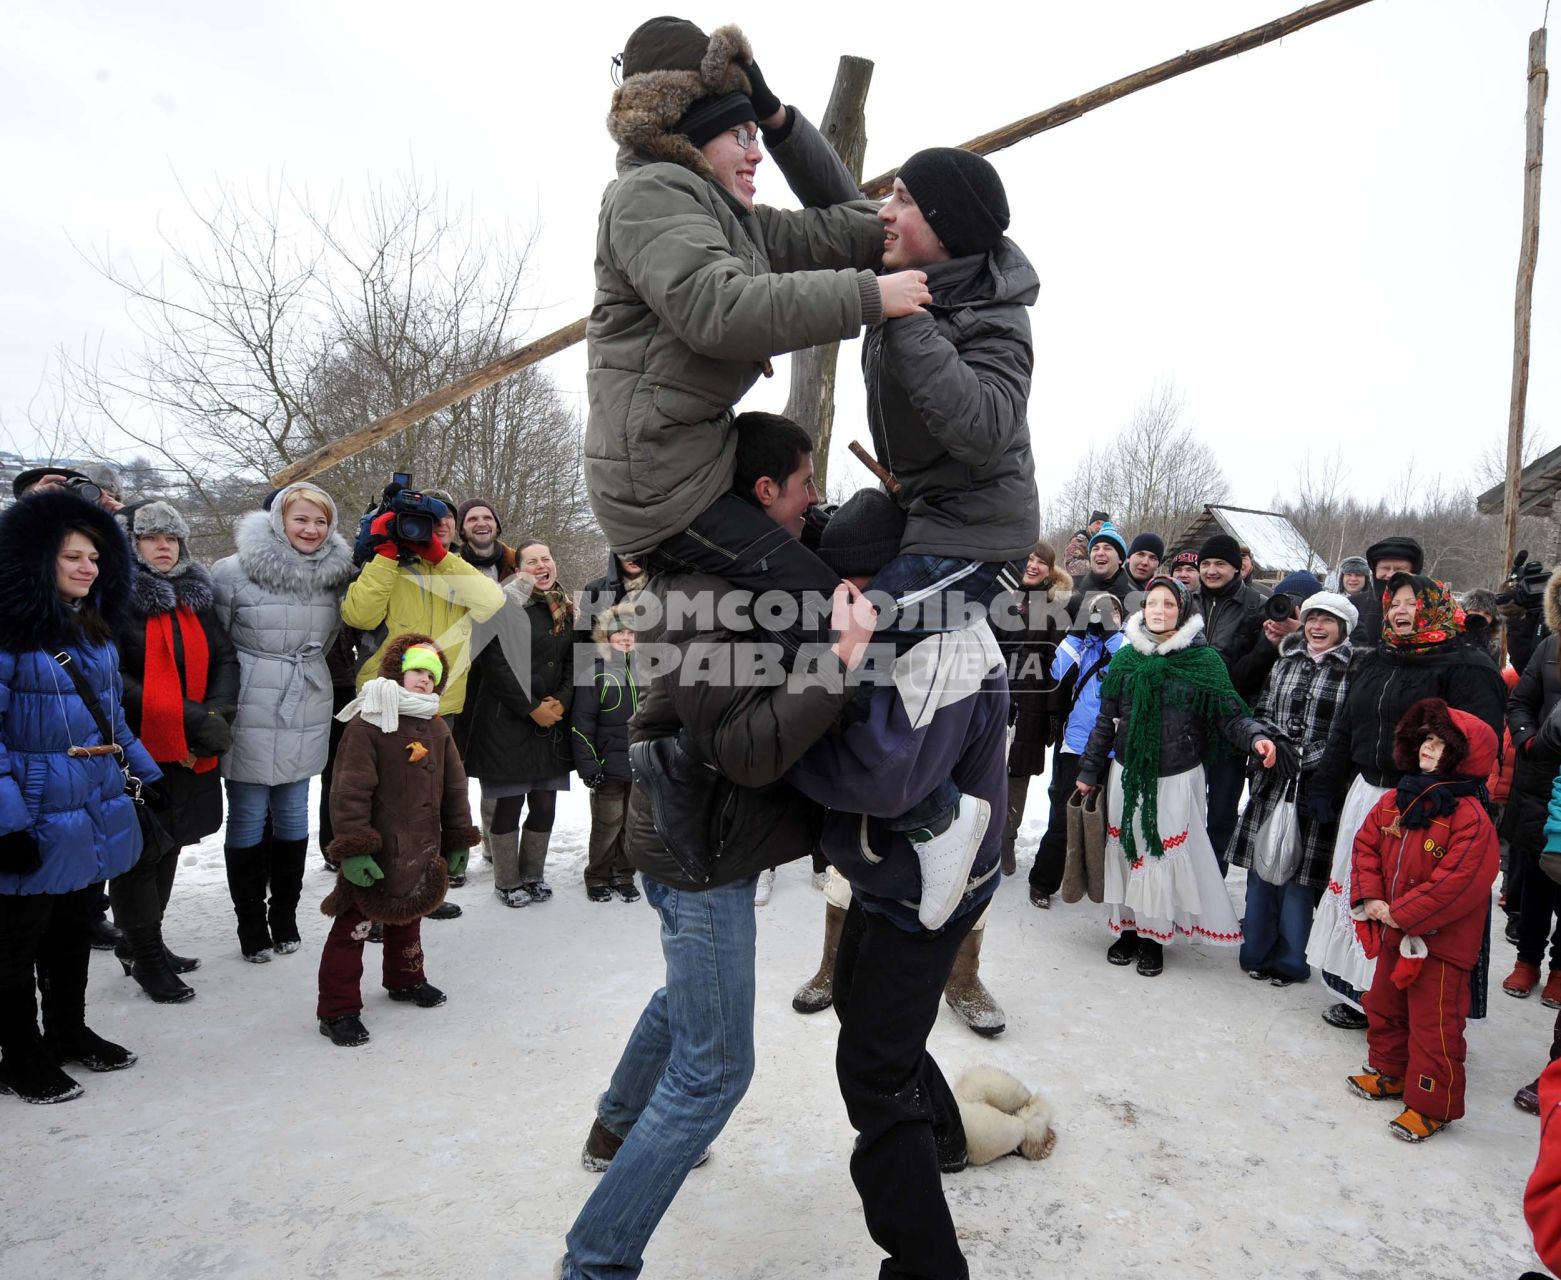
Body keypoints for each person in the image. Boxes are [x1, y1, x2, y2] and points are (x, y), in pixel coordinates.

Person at [558, 514, 876, 1276]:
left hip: (698, 841)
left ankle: (616, 1126)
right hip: (697, 852)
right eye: (801, 489)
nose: (810, 506)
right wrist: (846, 651)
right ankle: (595, 1263)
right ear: (763, 494)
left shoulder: (730, 581)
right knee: (714, 1072)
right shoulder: (704, 599)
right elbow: (749, 746)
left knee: (685, 997)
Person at [586, 17, 910, 656]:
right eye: (742, 135)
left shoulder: (721, 211)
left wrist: (916, 221)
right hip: (661, 485)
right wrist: (870, 297)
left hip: (692, 454)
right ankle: (730, 749)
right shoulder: (651, 195)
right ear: (690, 135)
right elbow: (721, 308)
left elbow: (832, 230)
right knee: (825, 611)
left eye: (757, 134)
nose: (757, 152)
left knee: (831, 546)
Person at [784, 486, 1011, 1277]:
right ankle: (944, 1134)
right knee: (862, 1006)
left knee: (872, 1073)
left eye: (853, 587)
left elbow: (884, 781)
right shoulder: (901, 626)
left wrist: (783, 750)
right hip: (891, 877)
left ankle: (926, 1266)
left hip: (930, 891)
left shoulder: (942, 643)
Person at [0, 490, 161, 1102]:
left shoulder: (94, 634)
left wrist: (150, 778)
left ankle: (69, 1031)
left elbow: (112, 721)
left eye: (94, 557)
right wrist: (7, 822)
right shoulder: (8, 637)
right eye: (71, 556)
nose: (86, 567)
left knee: (72, 930)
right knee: (15, 944)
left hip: (91, 807)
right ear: (38, 560)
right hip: (33, 812)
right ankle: (18, 1054)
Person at [1306, 573, 1507, 1030]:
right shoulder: (1377, 659)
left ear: (1436, 605)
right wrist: (1324, 784)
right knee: (1364, 890)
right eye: (1394, 601)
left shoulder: (1467, 667)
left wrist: (1433, 794)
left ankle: (1399, 1004)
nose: (1401, 610)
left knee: (1403, 902)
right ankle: (1359, 993)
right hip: (1368, 796)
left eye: (1412, 602)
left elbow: (1478, 745)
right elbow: (1345, 727)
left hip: (1426, 805)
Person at [1077, 575, 1277, 977]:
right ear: (1142, 608)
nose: (1159, 610)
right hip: (1127, 774)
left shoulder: (1203, 661)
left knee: (1162, 856)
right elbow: (1105, 721)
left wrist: (1256, 736)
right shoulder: (1127, 658)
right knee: (1128, 850)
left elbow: (1230, 714)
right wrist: (1089, 770)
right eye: (1153, 603)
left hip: (1176, 777)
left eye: (1169, 604)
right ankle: (1129, 929)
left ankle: (1155, 938)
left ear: (1183, 611)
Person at [212, 483, 355, 961]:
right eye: (301, 520)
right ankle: (250, 922)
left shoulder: (337, 576)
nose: (311, 530)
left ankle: (285, 914)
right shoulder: (232, 572)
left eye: (320, 521)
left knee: (294, 811)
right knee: (249, 813)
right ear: (279, 520)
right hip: (251, 696)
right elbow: (218, 643)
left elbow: (336, 630)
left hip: (308, 693)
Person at [315, 635, 479, 1047]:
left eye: (432, 675)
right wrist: (354, 847)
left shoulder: (436, 724)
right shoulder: (369, 721)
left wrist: (458, 838)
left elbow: (455, 786)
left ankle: (405, 979)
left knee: (409, 915)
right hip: (378, 848)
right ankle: (337, 1009)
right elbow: (349, 790)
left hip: (421, 845)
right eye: (417, 671)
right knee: (355, 926)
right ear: (396, 671)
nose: (424, 681)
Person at [1346, 699, 1499, 1142]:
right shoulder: (1399, 798)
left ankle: (1432, 1103)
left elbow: (1460, 882)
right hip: (1394, 930)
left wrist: (1403, 913)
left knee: (1435, 1024)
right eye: (1425, 740)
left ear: (1462, 754)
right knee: (1384, 1004)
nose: (1428, 749)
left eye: (1439, 743)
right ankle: (1390, 1071)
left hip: (1439, 945)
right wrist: (1371, 897)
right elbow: (1367, 845)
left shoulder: (1470, 818)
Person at [110, 500, 239, 1003]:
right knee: (141, 852)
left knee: (173, 841)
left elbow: (225, 656)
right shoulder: (115, 598)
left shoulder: (196, 596)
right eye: (151, 538)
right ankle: (142, 954)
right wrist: (190, 717)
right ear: (133, 544)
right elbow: (114, 676)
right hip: (141, 741)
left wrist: (217, 714)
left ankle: (148, 941)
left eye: (171, 538)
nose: (163, 547)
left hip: (194, 738)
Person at [1228, 592, 1357, 986]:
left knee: (1299, 880)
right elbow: (1263, 708)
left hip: (1317, 787)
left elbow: (1347, 731)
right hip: (1272, 777)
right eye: (1313, 618)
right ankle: (1257, 949)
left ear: (1343, 628)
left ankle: (1290, 959)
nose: (1318, 627)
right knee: (1262, 869)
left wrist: (1304, 757)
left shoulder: (1353, 670)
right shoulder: (1286, 660)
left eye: (1327, 621)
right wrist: (1273, 743)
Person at [460, 541, 574, 907]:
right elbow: (494, 664)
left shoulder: (566, 609)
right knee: (509, 804)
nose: (542, 565)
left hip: (551, 723)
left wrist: (563, 700)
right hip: (506, 722)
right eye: (532, 561)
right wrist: (530, 707)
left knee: (544, 805)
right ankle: (507, 881)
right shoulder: (502, 606)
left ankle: (533, 875)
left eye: (547, 558)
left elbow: (577, 661)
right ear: (519, 569)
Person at [342, 489, 505, 718]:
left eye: (448, 515)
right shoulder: (387, 565)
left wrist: (439, 558)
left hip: (440, 703)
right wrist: (387, 554)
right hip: (385, 700)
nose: (441, 522)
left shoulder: (462, 570)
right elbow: (359, 616)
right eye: (430, 516)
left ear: (455, 526)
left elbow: (493, 603)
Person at [1195, 534, 1297, 871]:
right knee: (1184, 809)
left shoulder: (1258, 604)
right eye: (1206, 564)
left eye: (1220, 564)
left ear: (1237, 568)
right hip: (1187, 722)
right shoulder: (1185, 600)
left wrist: (1269, 644)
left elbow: (1260, 673)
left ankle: (1211, 886)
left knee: (1221, 813)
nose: (1211, 570)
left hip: (1232, 724)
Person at [1025, 592, 1125, 909]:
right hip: (1078, 746)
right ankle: (1042, 881)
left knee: (1112, 823)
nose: (1103, 617)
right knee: (1063, 819)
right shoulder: (1083, 646)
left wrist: (1111, 630)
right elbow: (1057, 671)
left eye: (1113, 613)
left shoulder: (1130, 647)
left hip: (1116, 751)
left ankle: (1106, 886)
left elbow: (1125, 663)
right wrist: (1078, 629)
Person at [1505, 571, 1561, 1005]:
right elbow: (1520, 699)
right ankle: (1527, 959)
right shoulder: (1551, 648)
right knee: (1537, 879)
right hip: (1541, 777)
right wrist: (1526, 738)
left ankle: (1560, 968)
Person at [1000, 541, 1071, 877]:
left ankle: (1005, 840)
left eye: (1040, 561)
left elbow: (1056, 660)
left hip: (1030, 702)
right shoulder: (999, 594)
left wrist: (1052, 712)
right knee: (981, 770)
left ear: (1050, 569)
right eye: (1028, 558)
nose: (1032, 565)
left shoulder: (1054, 607)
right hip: (993, 693)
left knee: (1017, 776)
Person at [570, 600, 643, 903]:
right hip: (607, 764)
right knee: (607, 823)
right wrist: (589, 764)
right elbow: (581, 723)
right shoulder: (595, 673)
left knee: (633, 824)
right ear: (607, 638)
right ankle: (598, 875)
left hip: (640, 764)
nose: (625, 638)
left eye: (631, 633)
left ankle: (623, 873)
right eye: (618, 633)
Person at [1348, 536, 1423, 651]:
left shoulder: (1428, 609)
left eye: (1399, 569)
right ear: (1375, 570)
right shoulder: (1353, 605)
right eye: (1385, 568)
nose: (1390, 574)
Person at [456, 497, 517, 581]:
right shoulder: (451, 565)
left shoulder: (519, 562)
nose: (481, 524)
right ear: (462, 529)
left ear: (497, 526)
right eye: (472, 519)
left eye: (487, 518)